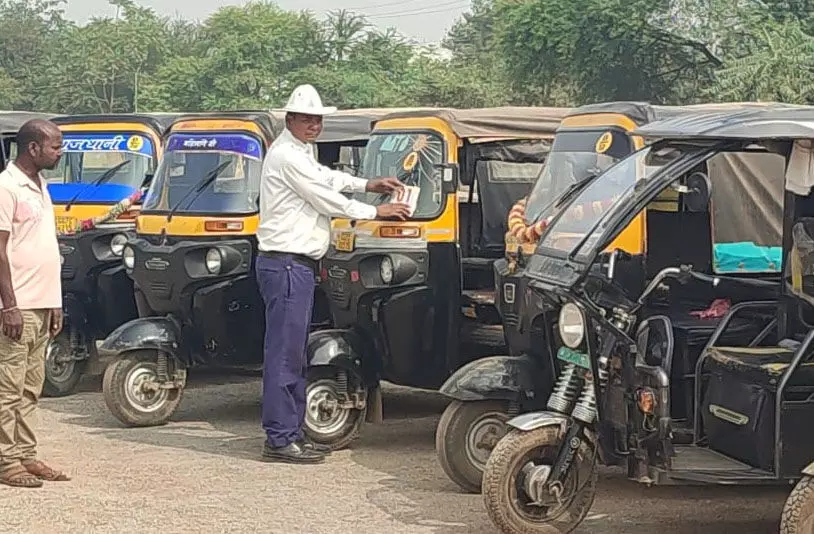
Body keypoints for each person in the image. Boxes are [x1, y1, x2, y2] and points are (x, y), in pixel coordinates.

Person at [257, 84, 410, 464]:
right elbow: (323, 196)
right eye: (307, 119)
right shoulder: (287, 156)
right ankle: (279, 437)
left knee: (291, 351)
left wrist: (366, 184)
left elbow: (326, 177)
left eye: (317, 119)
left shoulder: (299, 151)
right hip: (288, 262)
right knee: (285, 353)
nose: (313, 125)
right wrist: (376, 211)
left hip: (294, 263)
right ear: (290, 119)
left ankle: (289, 431)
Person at [0, 119, 68, 487]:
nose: (60, 152)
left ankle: (25, 455)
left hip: (41, 304)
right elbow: (0, 251)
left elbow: (45, 248)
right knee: (7, 388)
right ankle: (6, 461)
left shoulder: (40, 186)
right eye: (55, 146)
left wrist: (54, 301)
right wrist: (8, 305)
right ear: (33, 148)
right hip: (17, 307)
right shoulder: (6, 187)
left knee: (30, 388)